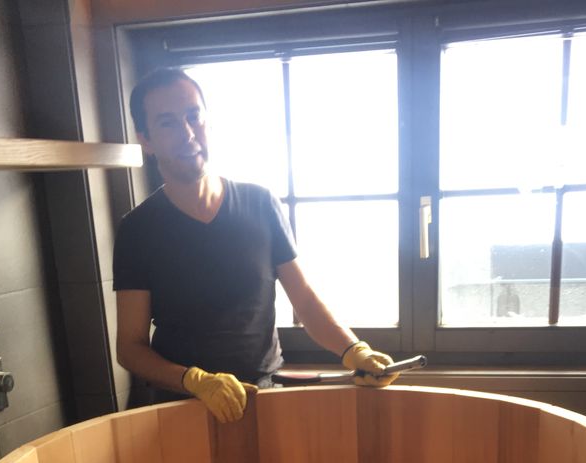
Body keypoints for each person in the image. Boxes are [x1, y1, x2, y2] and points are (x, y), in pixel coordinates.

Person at [113, 66, 399, 422]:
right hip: (179, 406)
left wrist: (353, 349)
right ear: (146, 139)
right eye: (168, 122)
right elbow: (130, 347)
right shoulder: (137, 229)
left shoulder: (260, 204)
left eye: (193, 116)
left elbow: (305, 301)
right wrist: (195, 380)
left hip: (264, 397)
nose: (188, 133)